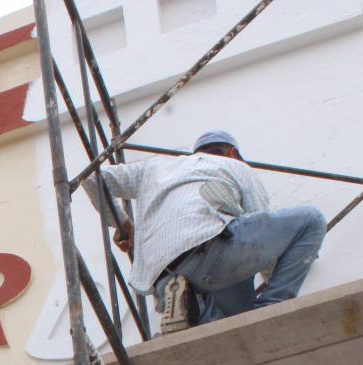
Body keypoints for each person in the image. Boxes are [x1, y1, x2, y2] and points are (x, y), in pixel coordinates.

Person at [83, 130, 326, 335]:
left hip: (162, 276)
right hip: (212, 253)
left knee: (227, 328)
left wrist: (122, 223)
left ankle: (192, 308)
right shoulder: (233, 165)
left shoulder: (155, 167)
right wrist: (282, 269)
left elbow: (92, 178)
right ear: (232, 152)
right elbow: (256, 222)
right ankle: (271, 306)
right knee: (312, 219)